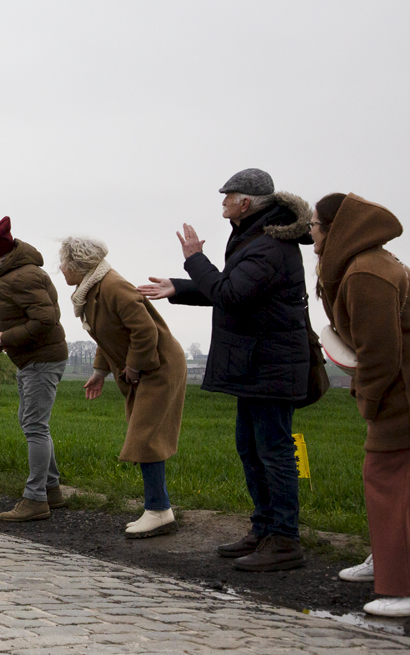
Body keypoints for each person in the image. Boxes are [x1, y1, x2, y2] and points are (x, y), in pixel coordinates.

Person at [139, 168, 311, 571]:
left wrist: (195, 259)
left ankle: (285, 540)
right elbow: (234, 288)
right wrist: (179, 287)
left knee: (274, 453)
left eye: (227, 197)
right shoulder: (253, 236)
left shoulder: (270, 244)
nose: (222, 203)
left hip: (270, 363)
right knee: (251, 449)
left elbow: (231, 294)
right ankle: (264, 528)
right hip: (255, 362)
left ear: (245, 203)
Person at [311, 193, 410, 615]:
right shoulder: (368, 262)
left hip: (401, 391)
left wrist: (368, 399)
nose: (309, 232)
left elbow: (381, 353)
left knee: (389, 480)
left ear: (336, 230)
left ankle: (401, 587)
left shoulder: (364, 273)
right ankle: (386, 559)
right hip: (399, 387)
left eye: (314, 225)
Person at [59, 237, 186, 537]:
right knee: (144, 435)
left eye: (64, 263)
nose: (61, 268)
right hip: (146, 368)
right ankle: (158, 508)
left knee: (145, 437)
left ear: (80, 264)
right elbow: (108, 335)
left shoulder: (113, 287)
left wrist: (134, 365)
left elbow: (144, 330)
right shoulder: (92, 290)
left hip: (159, 366)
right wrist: (100, 371)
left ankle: (159, 511)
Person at [0, 216, 68, 521]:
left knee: (34, 426)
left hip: (41, 358)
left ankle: (35, 500)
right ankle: (51, 489)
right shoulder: (13, 274)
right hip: (34, 357)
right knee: (33, 422)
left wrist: (4, 336)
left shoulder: (20, 276)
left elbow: (45, 320)